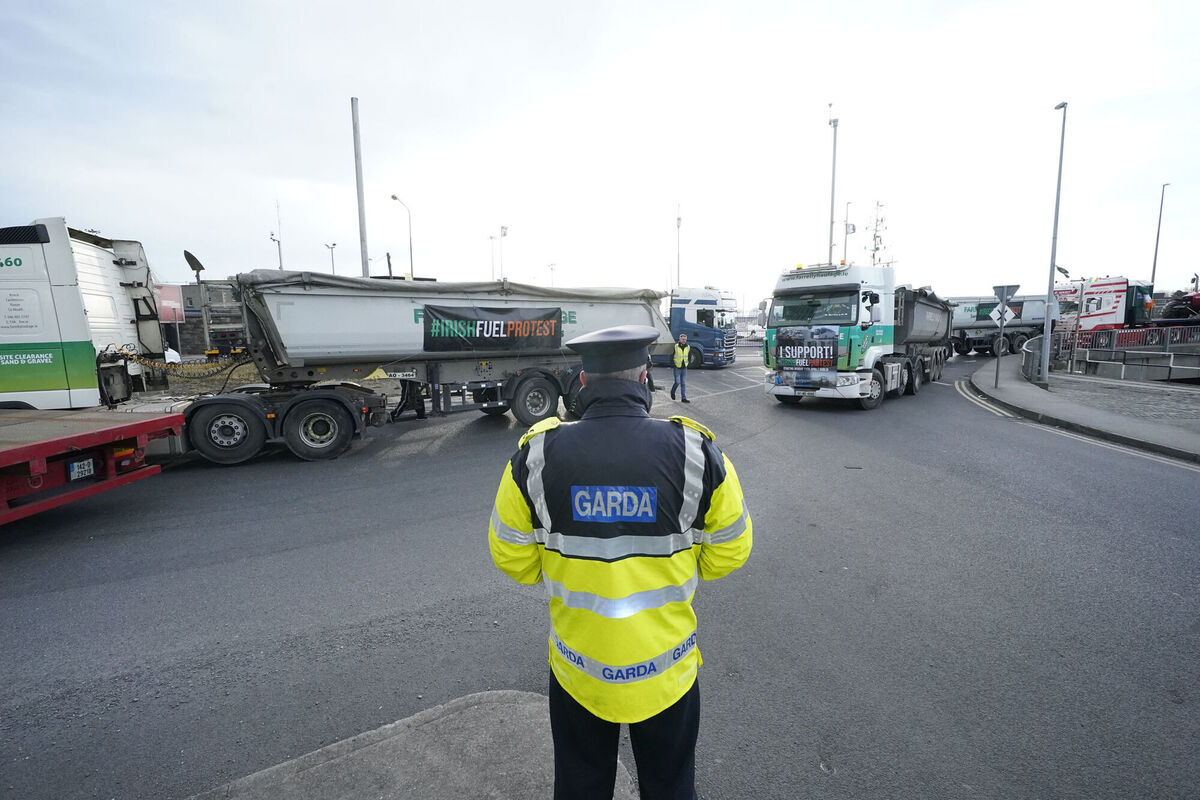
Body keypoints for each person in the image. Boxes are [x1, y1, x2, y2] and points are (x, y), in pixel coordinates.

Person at [487, 325, 752, 800]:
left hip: (578, 673)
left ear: (583, 384)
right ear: (645, 376)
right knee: (669, 787)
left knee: (581, 786)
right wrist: (685, 567)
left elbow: (513, 558)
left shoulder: (536, 457)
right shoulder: (696, 452)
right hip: (666, 672)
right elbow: (731, 548)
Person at [670, 333, 690, 402]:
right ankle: (672, 392)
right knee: (677, 382)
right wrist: (673, 365)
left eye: (685, 339)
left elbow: (689, 356)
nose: (684, 340)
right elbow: (671, 356)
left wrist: (688, 364)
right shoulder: (675, 346)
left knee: (683, 383)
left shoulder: (688, 347)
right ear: (680, 339)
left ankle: (683, 398)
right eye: (683, 339)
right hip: (677, 368)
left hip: (684, 368)